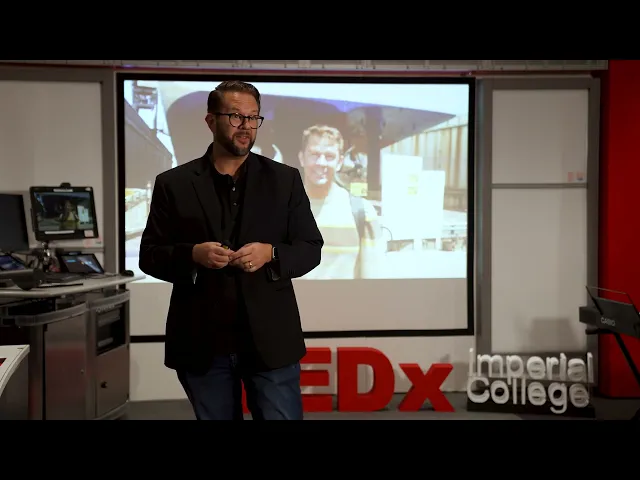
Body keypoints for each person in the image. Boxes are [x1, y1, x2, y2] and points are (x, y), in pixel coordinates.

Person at [138, 80, 323, 420]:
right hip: (202, 342)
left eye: (253, 117)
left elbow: (311, 248)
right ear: (211, 121)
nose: (246, 126)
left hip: (270, 341)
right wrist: (193, 255)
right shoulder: (173, 184)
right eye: (236, 116)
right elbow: (149, 254)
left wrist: (271, 253)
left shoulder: (285, 180)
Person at [297, 125, 382, 279]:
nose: (321, 162)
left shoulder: (363, 213)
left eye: (329, 156)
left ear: (340, 162)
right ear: (302, 158)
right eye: (314, 154)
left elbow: (374, 283)